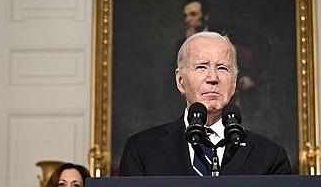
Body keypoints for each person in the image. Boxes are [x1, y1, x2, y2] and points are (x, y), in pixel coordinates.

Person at [120, 31, 290, 176]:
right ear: (180, 81)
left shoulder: (270, 157)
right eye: (201, 67)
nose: (213, 78)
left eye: (222, 68)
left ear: (234, 82)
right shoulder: (142, 151)